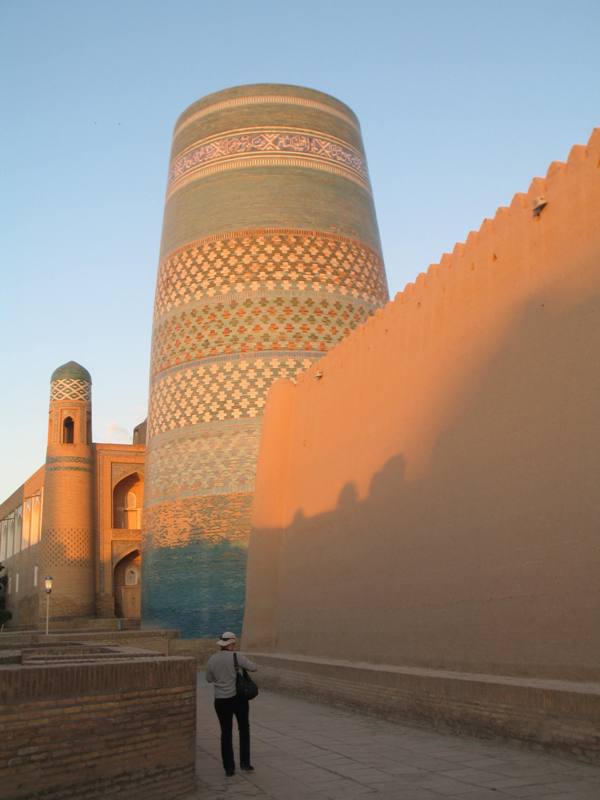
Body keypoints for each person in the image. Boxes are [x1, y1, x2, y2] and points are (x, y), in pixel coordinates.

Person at [205, 631, 258, 777]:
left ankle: (229, 768)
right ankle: (245, 763)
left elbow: (209, 679)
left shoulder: (212, 659)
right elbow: (253, 667)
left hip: (221, 700)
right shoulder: (237, 656)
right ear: (232, 644)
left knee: (226, 732)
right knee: (244, 729)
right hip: (238, 699)